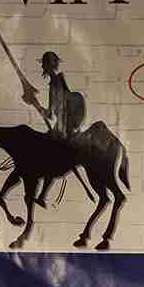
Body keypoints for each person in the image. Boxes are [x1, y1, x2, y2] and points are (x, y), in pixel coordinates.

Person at [22, 50, 87, 208]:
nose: (46, 66)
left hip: (66, 128)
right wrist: (35, 104)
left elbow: (63, 108)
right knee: (46, 152)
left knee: (47, 152)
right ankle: (43, 196)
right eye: (45, 63)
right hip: (61, 127)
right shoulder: (54, 84)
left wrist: (61, 131)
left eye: (48, 63)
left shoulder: (58, 81)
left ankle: (42, 195)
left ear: (52, 64)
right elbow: (51, 114)